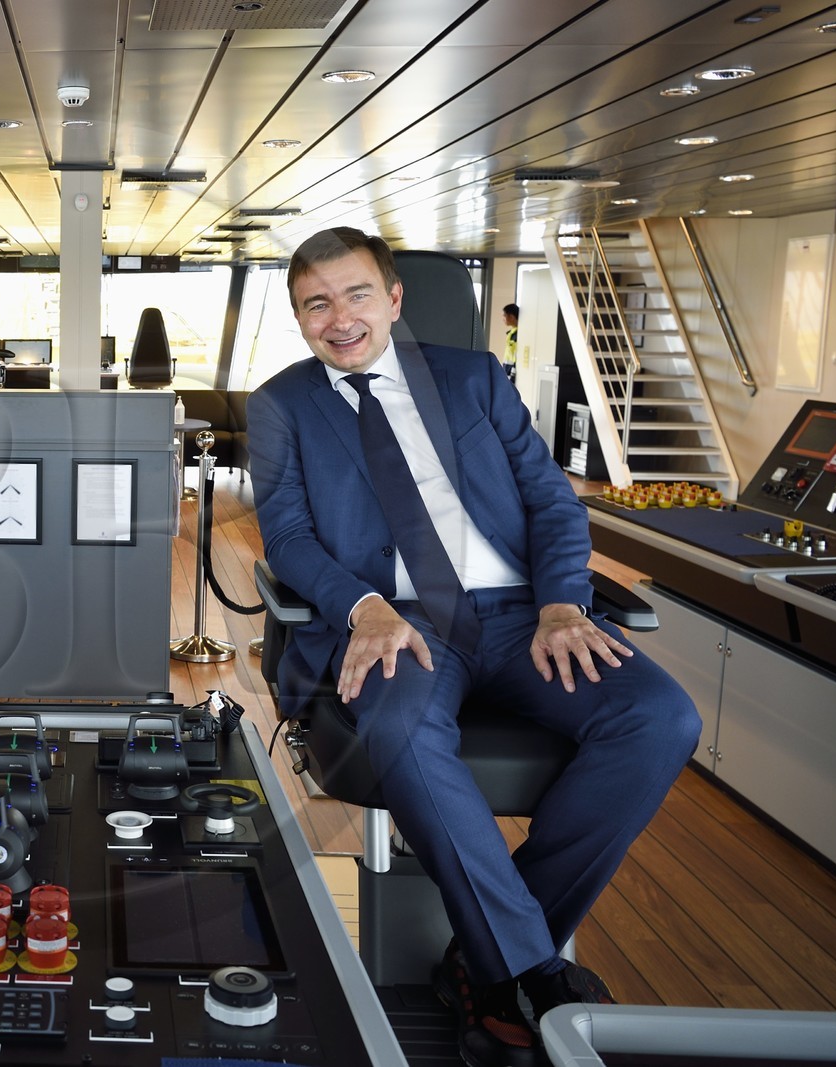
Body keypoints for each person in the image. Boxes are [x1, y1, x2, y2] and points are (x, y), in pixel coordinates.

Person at [248, 228, 698, 1067]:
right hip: (405, 621)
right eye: (316, 303)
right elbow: (290, 537)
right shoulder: (281, 406)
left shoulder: (474, 378)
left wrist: (563, 602)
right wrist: (366, 606)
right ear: (299, 318)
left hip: (525, 614)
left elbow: (553, 506)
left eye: (354, 295)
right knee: (404, 730)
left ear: (394, 298)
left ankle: (489, 964)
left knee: (661, 716)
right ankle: (527, 972)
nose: (338, 319)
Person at [502, 302, 519, 382]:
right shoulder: (511, 333)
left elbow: (517, 354)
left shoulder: (518, 334)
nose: (503, 319)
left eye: (504, 316)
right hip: (507, 368)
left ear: (511, 317)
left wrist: (513, 372)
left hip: (512, 370)